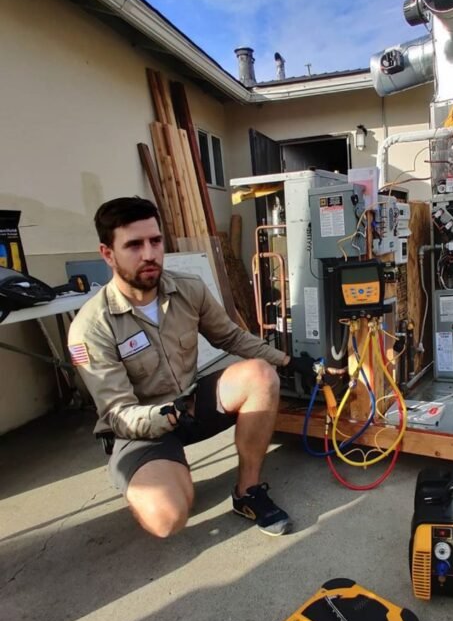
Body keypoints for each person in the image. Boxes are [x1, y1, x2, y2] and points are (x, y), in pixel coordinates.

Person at [67, 197, 315, 539]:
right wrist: (163, 417)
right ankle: (147, 477)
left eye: (155, 241)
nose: (149, 254)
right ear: (107, 253)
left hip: (191, 402)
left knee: (260, 375)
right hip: (140, 426)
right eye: (134, 245)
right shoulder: (91, 327)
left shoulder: (188, 289)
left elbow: (230, 337)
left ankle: (248, 492)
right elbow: (117, 412)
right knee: (168, 517)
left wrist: (288, 362)